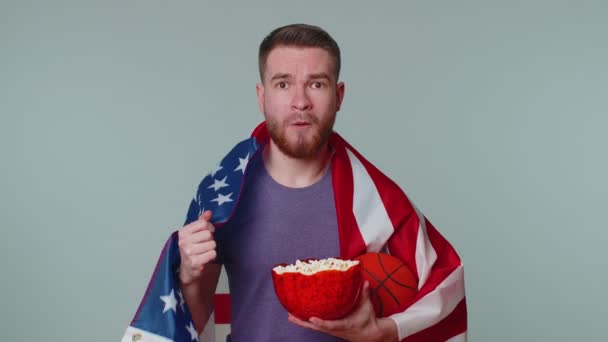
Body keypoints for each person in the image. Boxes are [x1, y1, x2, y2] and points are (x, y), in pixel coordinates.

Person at [177, 24, 467, 342]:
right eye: (283, 84)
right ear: (262, 96)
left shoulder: (377, 201)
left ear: (338, 95)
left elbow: (445, 283)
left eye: (316, 83)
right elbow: (196, 317)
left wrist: (385, 331)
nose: (300, 101)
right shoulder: (226, 194)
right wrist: (190, 276)